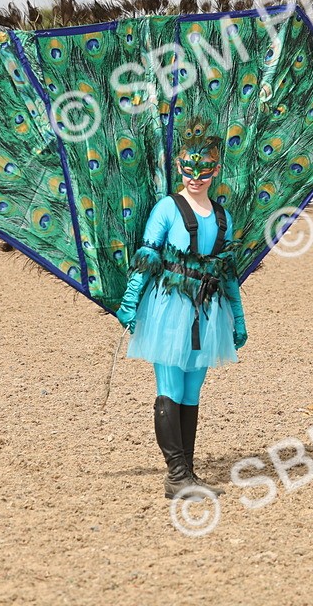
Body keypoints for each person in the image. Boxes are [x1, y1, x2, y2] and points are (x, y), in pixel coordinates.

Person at [116, 120, 247, 499]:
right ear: (177, 168)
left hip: (207, 312)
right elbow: (147, 255)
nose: (195, 177)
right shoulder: (166, 208)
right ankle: (176, 475)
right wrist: (130, 301)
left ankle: (188, 471)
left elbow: (227, 272)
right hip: (167, 310)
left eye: (203, 170)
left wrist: (237, 317)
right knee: (170, 387)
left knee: (192, 391)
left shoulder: (224, 216)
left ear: (216, 170)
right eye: (188, 170)